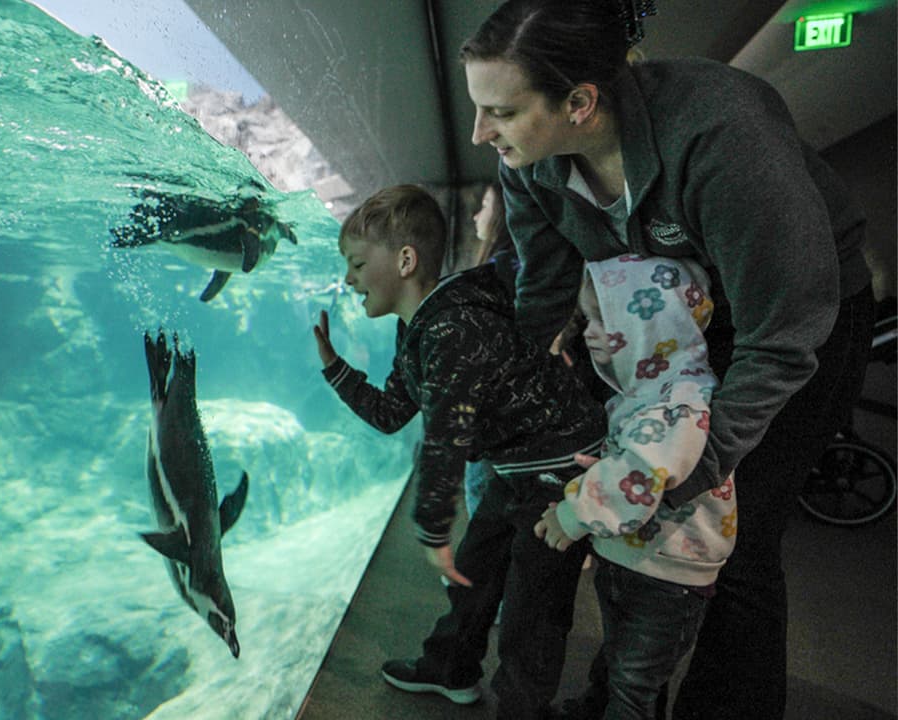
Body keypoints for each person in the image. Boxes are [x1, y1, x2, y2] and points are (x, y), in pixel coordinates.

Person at [460, 2, 875, 718]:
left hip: (798, 323)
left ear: (580, 102)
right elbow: (548, 286)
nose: (479, 132)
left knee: (732, 545)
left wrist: (684, 476)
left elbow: (783, 338)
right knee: (628, 531)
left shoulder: (722, 137)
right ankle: (619, 697)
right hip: (675, 318)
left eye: (499, 111)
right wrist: (510, 392)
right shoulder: (533, 161)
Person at [312, 184, 605, 719]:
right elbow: (392, 413)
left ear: (404, 260)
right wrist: (336, 368)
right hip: (518, 464)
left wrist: (431, 526)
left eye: (356, 264)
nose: (349, 279)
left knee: (533, 608)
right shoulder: (417, 330)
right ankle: (450, 669)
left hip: (563, 467)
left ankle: (520, 711)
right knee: (474, 573)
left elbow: (447, 439)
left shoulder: (450, 328)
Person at [534, 255, 736, 719]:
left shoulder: (680, 399)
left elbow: (642, 471)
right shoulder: (648, 389)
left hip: (668, 575)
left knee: (634, 684)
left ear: (654, 323)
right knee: (620, 659)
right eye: (589, 318)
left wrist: (572, 513)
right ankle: (595, 705)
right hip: (641, 559)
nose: (588, 331)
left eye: (607, 319)